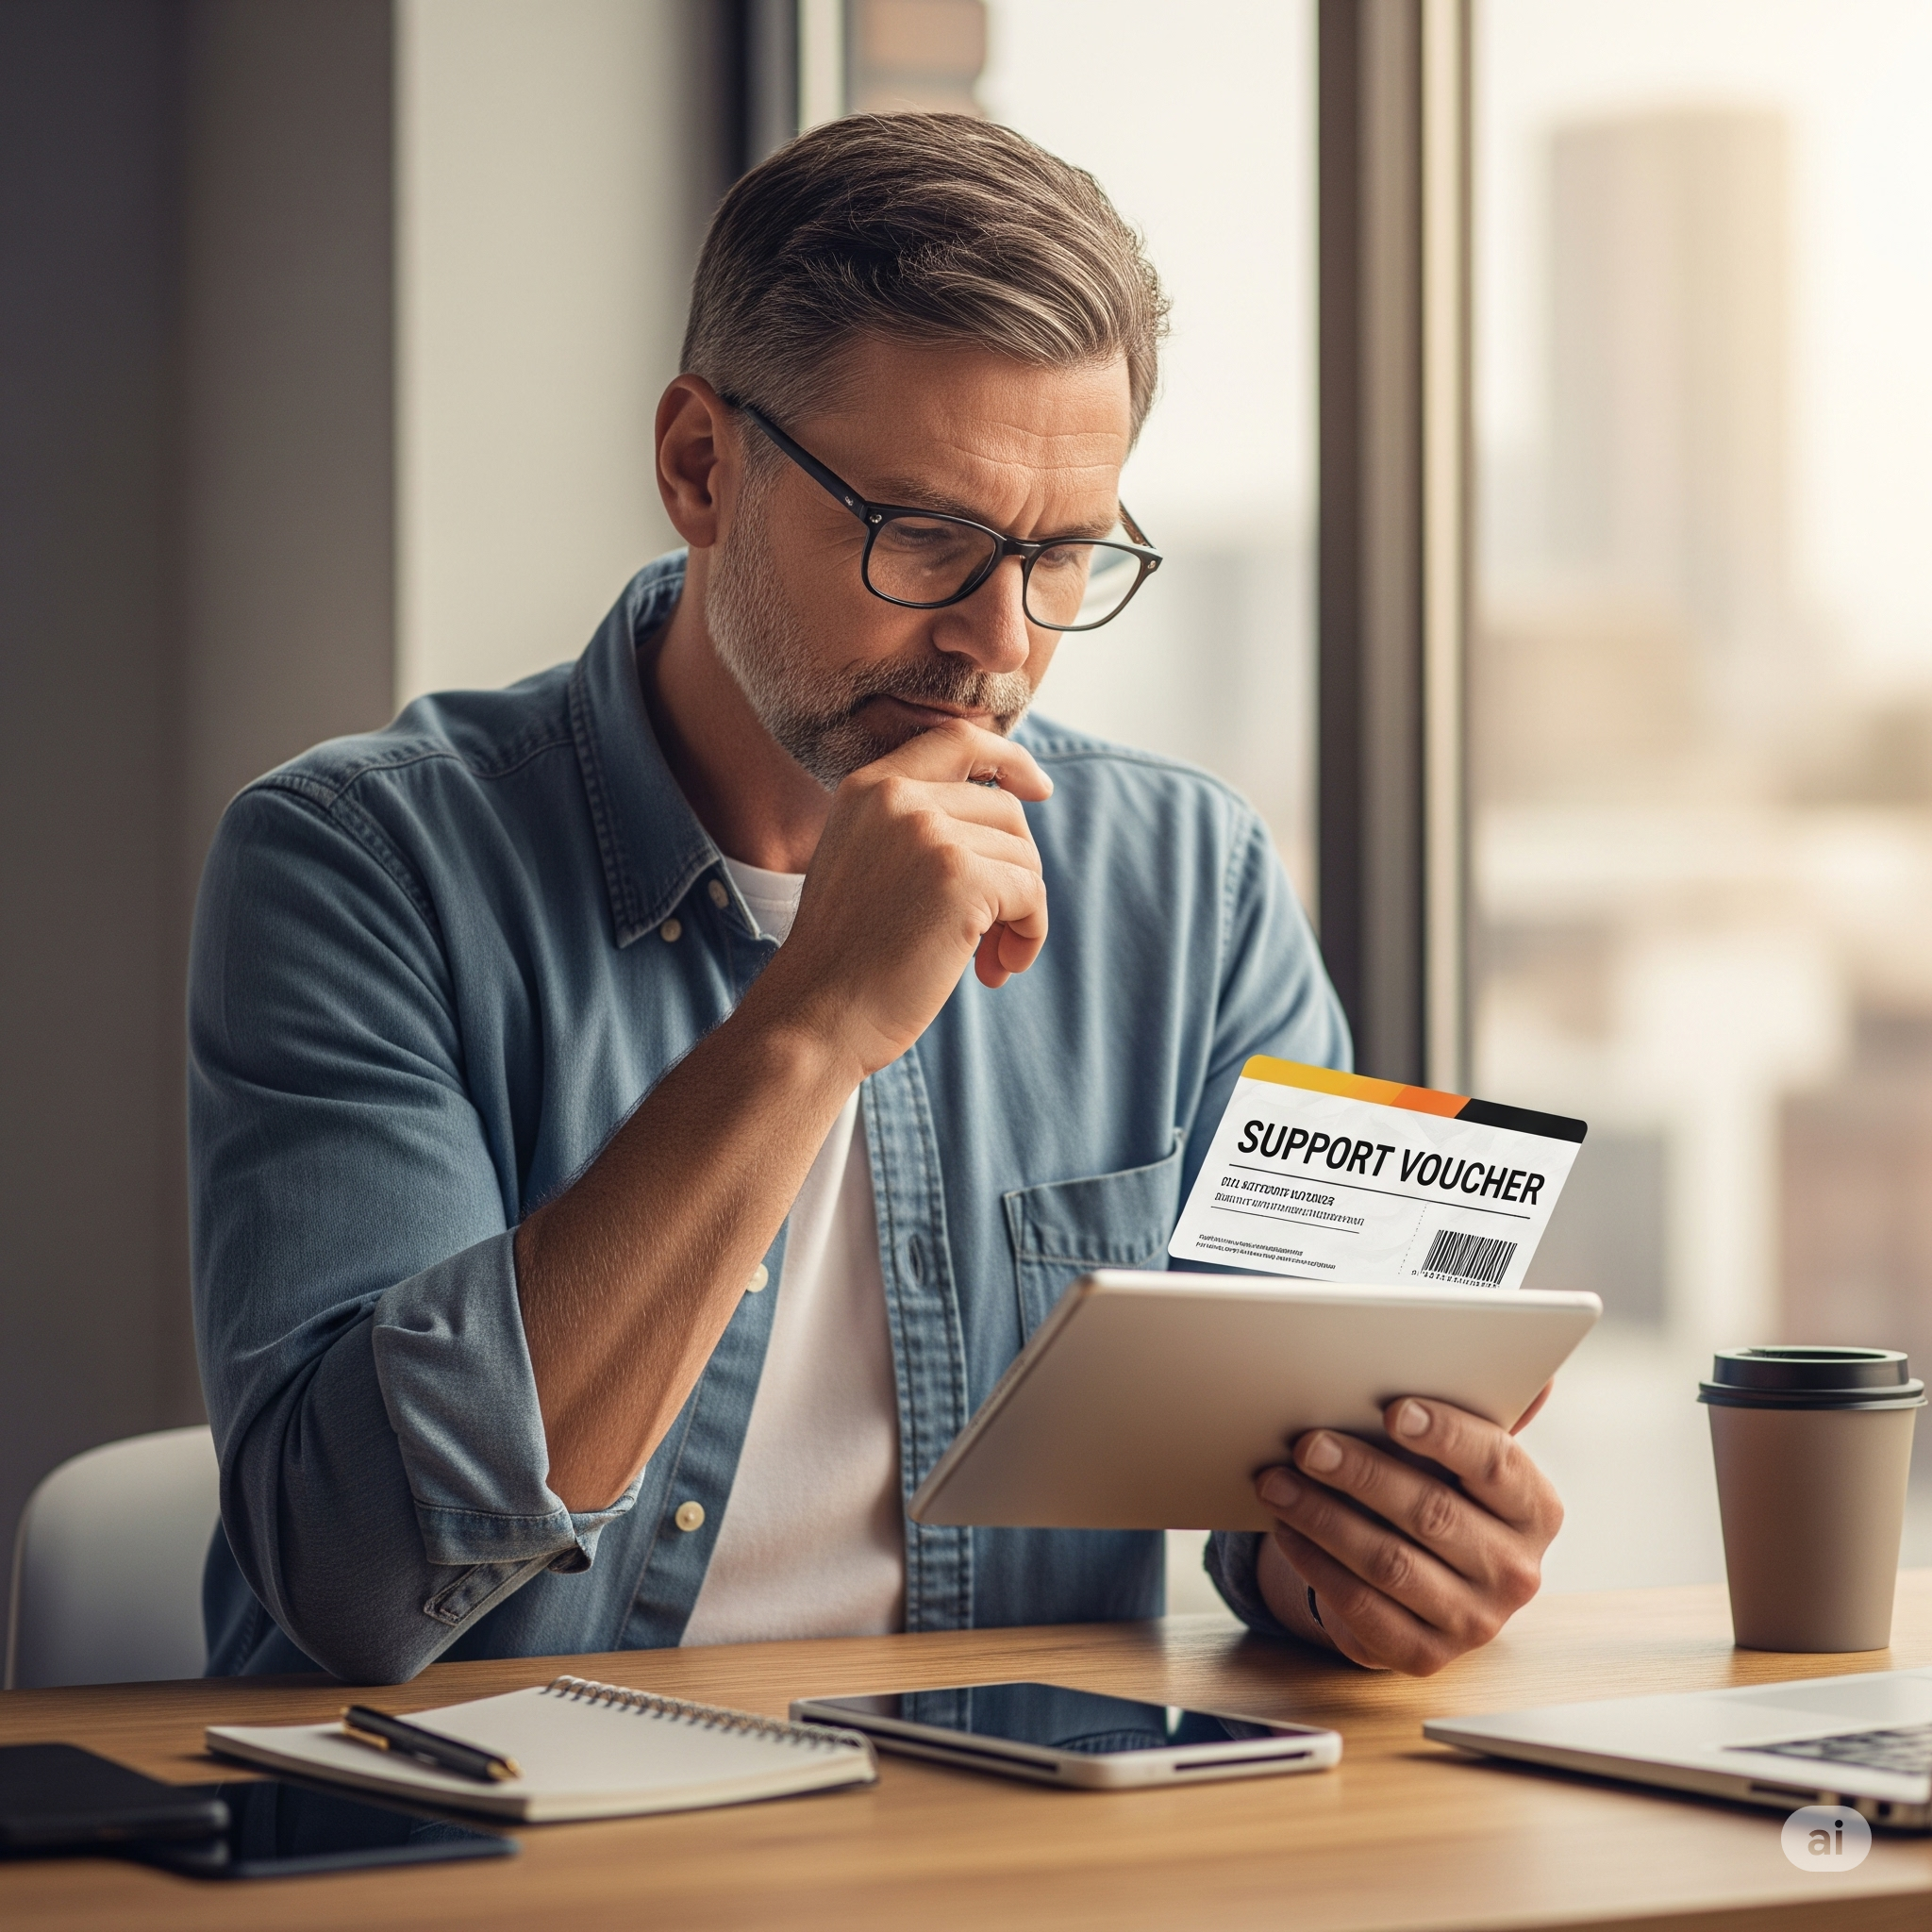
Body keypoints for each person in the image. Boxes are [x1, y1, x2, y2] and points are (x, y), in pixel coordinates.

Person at [191, 112, 1561, 1686]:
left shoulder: (1191, 876)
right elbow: (352, 1571)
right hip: (478, 1856)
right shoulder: (358, 863)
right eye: (928, 536)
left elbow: (1309, 1468)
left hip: (994, 1851)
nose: (998, 641)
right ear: (701, 466)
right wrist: (812, 1020)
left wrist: (1381, 1559)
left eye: (1063, 555)